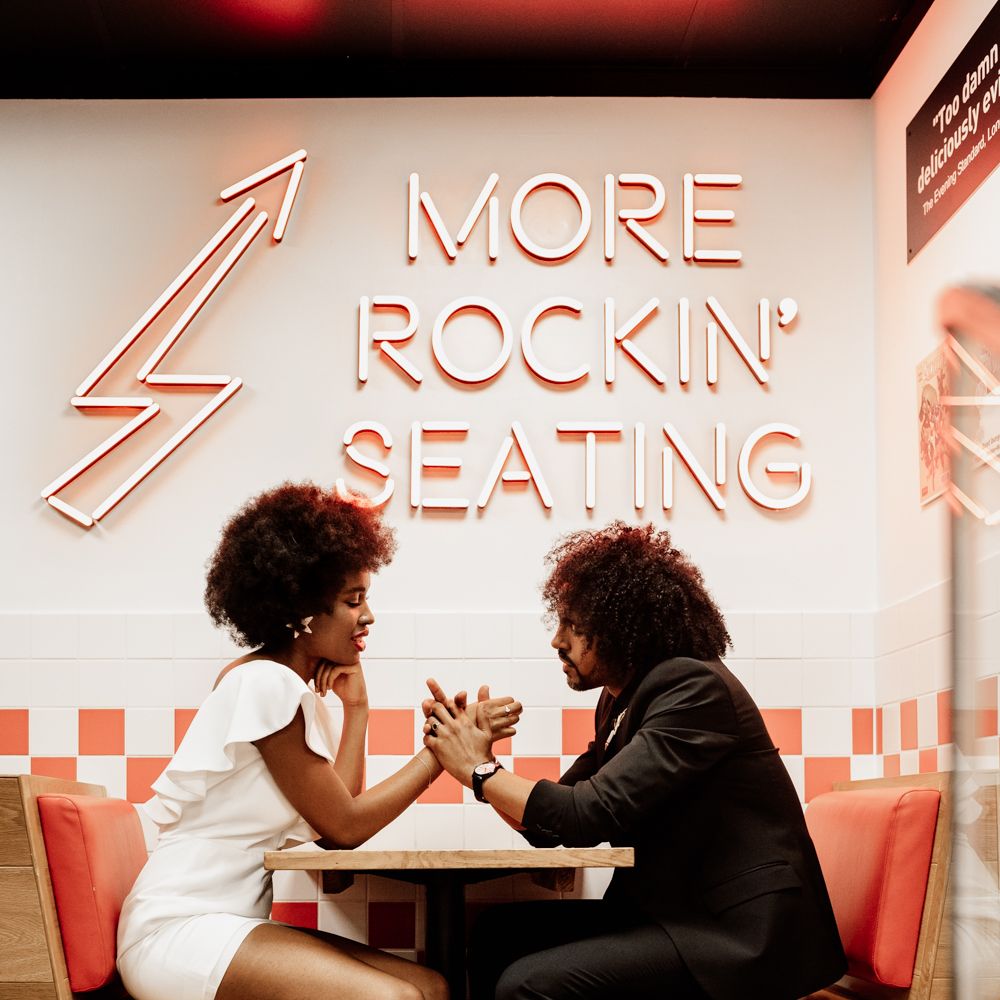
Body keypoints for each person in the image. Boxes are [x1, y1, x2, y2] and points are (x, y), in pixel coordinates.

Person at [116, 483, 521, 1000]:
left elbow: (335, 825)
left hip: (228, 925)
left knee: (430, 985)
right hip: (180, 930)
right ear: (302, 613)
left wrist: (358, 710)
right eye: (353, 601)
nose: (368, 616)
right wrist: (444, 749)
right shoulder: (264, 684)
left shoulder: (280, 687)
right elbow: (347, 827)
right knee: (394, 999)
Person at [423, 521, 847, 1000]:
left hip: (738, 936)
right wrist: (480, 759)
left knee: (529, 986)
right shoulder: (622, 700)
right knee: (498, 932)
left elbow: (586, 813)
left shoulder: (694, 688)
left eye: (573, 625)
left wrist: (479, 772)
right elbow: (551, 825)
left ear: (625, 626)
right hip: (673, 916)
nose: (556, 640)